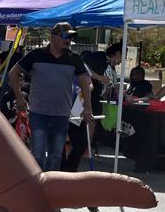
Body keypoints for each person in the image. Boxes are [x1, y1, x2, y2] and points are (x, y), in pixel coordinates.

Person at [8, 23, 94, 171]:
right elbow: (13, 73)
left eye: (71, 37)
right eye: (65, 36)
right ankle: (37, 186)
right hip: (38, 113)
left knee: (56, 156)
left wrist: (88, 108)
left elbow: (85, 82)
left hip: (61, 114)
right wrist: (20, 98)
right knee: (38, 155)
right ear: (53, 37)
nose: (68, 40)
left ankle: (51, 188)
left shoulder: (74, 58)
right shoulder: (36, 55)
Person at [63, 42, 123, 173]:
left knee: (90, 124)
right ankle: (72, 147)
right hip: (81, 97)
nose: (120, 62)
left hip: (94, 97)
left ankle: (83, 149)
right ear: (117, 54)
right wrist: (99, 78)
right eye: (120, 57)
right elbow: (86, 70)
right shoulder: (98, 57)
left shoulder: (111, 67)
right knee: (76, 123)